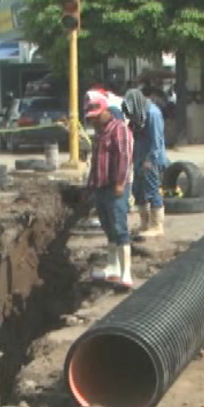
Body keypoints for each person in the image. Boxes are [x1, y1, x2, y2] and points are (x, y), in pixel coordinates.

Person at [85, 96, 135, 289]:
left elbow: (124, 157)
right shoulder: (99, 133)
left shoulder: (119, 129)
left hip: (115, 186)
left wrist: (120, 183)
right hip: (101, 185)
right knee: (108, 226)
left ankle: (126, 273)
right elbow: (96, 162)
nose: (94, 121)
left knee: (119, 225)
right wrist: (91, 186)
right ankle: (113, 267)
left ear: (106, 111)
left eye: (96, 116)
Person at [122, 88, 170, 239]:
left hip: (151, 160)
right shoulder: (139, 116)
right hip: (139, 157)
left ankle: (157, 226)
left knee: (152, 190)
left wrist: (150, 160)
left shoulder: (152, 114)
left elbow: (156, 141)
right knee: (138, 191)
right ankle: (145, 223)